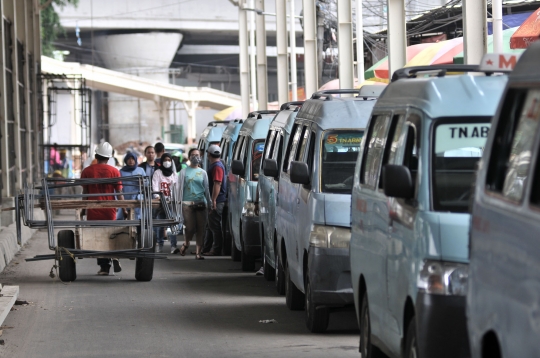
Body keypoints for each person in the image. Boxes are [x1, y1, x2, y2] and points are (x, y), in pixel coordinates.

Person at [80, 142, 125, 276]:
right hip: (110, 210)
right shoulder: (114, 171)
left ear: (96, 155)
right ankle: (113, 255)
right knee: (110, 235)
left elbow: (85, 193)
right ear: (109, 157)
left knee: (98, 238)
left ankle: (104, 267)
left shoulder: (87, 171)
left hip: (93, 210)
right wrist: (125, 208)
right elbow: (119, 193)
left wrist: (83, 209)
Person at [177, 149, 211, 260]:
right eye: (192, 155)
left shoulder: (203, 172)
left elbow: (206, 189)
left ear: (200, 157)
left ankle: (198, 253)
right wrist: (178, 203)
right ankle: (186, 243)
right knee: (190, 228)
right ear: (189, 157)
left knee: (201, 228)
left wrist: (209, 204)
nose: (195, 157)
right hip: (187, 204)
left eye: (197, 155)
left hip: (201, 203)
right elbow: (179, 189)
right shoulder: (183, 172)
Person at [202, 144, 227, 256]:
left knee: (215, 225)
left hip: (218, 200)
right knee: (210, 225)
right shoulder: (217, 165)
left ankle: (216, 249)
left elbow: (217, 184)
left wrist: (213, 200)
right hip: (215, 199)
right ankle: (206, 248)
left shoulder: (217, 166)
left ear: (208, 154)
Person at [152, 153, 178, 253]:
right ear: (162, 161)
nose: (167, 162)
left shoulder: (174, 174)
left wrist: (173, 199)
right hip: (160, 202)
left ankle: (173, 246)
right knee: (160, 224)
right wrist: (158, 197)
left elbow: (176, 187)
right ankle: (160, 245)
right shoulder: (157, 173)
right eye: (165, 160)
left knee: (172, 225)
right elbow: (154, 186)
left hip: (171, 203)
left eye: (169, 160)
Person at [118, 152, 146, 220]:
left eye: (133, 159)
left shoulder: (140, 170)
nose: (131, 161)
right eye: (129, 159)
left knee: (138, 219)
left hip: (138, 199)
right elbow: (118, 186)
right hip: (125, 198)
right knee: (123, 217)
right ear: (126, 160)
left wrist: (142, 183)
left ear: (135, 160)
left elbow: (147, 183)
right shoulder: (121, 172)